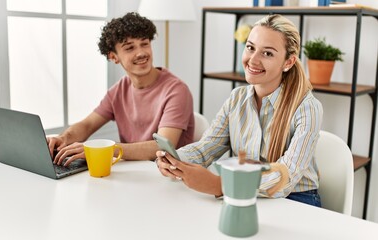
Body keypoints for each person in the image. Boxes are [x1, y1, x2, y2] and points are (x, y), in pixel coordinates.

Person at [156, 14, 323, 207]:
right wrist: (175, 160)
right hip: (244, 194)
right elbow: (206, 147)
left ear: (288, 62)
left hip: (296, 199)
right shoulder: (237, 99)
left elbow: (288, 174)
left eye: (267, 53)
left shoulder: (307, 107)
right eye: (250, 48)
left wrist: (219, 185)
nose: (253, 60)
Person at [48, 12, 194, 166]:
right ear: (113, 57)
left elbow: (162, 148)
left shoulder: (177, 90)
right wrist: (62, 139)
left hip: (171, 177)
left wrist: (104, 149)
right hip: (133, 172)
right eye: (130, 48)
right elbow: (88, 125)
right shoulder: (118, 91)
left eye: (144, 43)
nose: (141, 53)